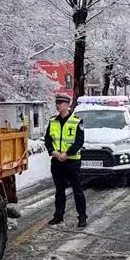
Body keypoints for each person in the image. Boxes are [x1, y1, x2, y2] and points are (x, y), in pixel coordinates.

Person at [45, 93, 87, 227]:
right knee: (59, 190)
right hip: (57, 161)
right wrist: (53, 152)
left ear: (67, 105)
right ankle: (58, 216)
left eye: (60, 103)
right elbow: (47, 139)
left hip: (72, 161)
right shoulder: (53, 121)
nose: (57, 105)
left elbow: (79, 141)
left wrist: (67, 154)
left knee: (77, 190)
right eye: (57, 103)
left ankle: (82, 216)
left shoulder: (76, 121)